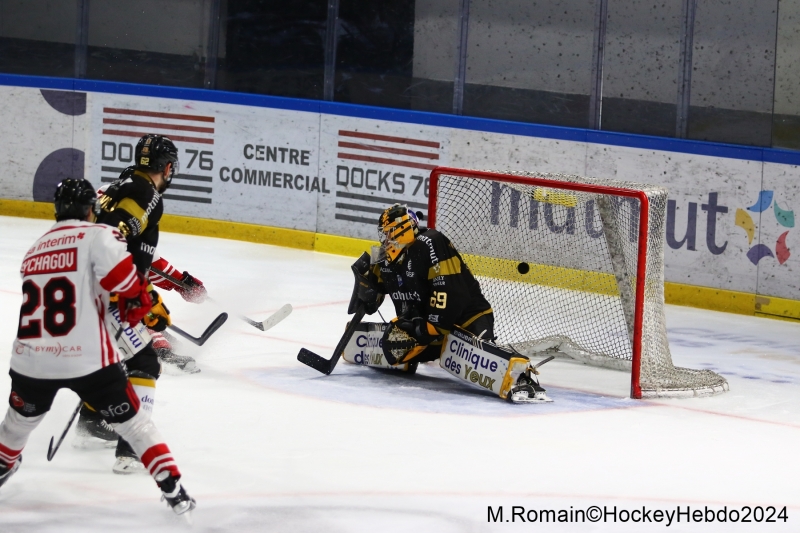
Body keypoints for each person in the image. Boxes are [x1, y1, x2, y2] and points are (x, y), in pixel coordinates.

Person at [0, 178, 195, 515]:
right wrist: (148, 307)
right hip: (87, 359)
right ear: (92, 209)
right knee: (135, 425)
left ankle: (5, 464)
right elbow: (126, 288)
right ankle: (175, 493)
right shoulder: (100, 235)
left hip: (30, 360)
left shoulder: (35, 248)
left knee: (15, 426)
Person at [75, 133, 202, 473]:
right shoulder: (147, 196)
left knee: (114, 360)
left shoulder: (124, 185)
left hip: (84, 288)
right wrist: (139, 297)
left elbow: (131, 249)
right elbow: (110, 240)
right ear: (168, 167)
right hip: (104, 294)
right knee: (145, 362)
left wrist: (163, 287)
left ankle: (89, 419)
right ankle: (131, 449)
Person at [345, 203, 549, 403]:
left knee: (478, 359)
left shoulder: (430, 242)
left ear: (402, 229)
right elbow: (375, 290)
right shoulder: (386, 256)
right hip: (430, 328)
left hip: (466, 319)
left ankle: (521, 377)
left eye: (389, 233)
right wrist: (368, 291)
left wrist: (424, 328)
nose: (386, 239)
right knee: (394, 344)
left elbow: (450, 292)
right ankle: (417, 353)